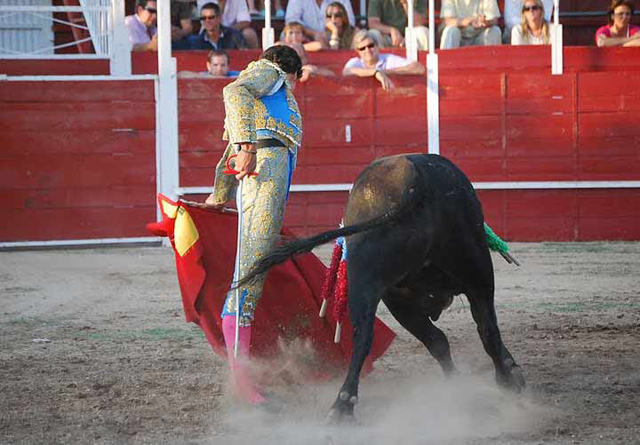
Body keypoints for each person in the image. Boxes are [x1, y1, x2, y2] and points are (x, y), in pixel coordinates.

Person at [202, 45, 303, 405]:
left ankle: (241, 377)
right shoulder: (270, 73)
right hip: (266, 170)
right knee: (250, 274)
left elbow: (232, 145)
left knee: (252, 272)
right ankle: (241, 382)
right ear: (290, 71)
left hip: (266, 171)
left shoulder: (263, 96)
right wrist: (246, 145)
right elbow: (233, 91)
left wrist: (219, 194)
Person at [342, 29, 425, 92]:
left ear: (377, 46)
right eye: (362, 48)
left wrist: (384, 72)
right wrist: (376, 72)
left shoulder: (388, 59)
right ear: (358, 51)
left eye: (370, 46)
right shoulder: (356, 62)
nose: (367, 50)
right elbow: (346, 71)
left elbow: (419, 68)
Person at [284, 0, 356, 45]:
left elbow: (350, 22)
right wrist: (313, 33)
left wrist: (333, 32)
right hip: (305, 38)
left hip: (334, 37)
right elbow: (291, 20)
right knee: (290, 33)